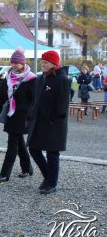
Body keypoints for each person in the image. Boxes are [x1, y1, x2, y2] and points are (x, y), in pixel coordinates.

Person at [26, 50, 70, 195]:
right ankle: (48, 177)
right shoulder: (41, 78)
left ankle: (51, 183)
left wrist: (56, 120)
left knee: (52, 153)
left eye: (45, 62)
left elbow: (63, 103)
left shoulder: (62, 79)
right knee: (33, 148)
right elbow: (35, 100)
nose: (42, 64)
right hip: (38, 121)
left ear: (53, 63)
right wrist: (30, 116)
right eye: (42, 62)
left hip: (54, 123)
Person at [0, 48, 36, 183]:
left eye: (17, 63)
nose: (14, 65)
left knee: (12, 143)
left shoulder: (31, 79)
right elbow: (2, 97)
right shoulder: (8, 77)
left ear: (23, 63)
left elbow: (35, 100)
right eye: (12, 63)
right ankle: (27, 168)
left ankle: (5, 173)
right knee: (19, 142)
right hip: (11, 115)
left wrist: (32, 116)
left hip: (23, 116)